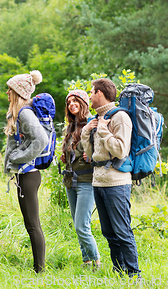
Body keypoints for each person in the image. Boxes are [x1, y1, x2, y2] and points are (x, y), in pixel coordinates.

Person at [81, 78, 141, 278]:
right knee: (109, 232)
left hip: (116, 182)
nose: (89, 95)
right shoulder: (98, 118)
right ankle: (119, 271)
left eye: (91, 91)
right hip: (98, 181)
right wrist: (86, 132)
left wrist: (104, 129)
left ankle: (134, 274)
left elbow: (120, 150)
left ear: (100, 93)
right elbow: (90, 155)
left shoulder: (120, 117)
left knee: (122, 231)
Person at [4, 70, 48, 273]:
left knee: (33, 224)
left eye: (10, 89)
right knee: (30, 223)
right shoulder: (20, 113)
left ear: (18, 92)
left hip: (29, 174)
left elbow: (42, 140)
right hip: (26, 174)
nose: (6, 93)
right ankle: (38, 267)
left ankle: (39, 270)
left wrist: (18, 158)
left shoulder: (24, 113)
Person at [61, 90, 102, 270]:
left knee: (81, 226)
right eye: (69, 102)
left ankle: (97, 262)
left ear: (83, 102)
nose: (71, 104)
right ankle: (86, 262)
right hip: (71, 181)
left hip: (86, 180)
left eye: (75, 100)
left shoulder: (93, 123)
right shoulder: (71, 127)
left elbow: (102, 149)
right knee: (78, 225)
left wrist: (92, 154)